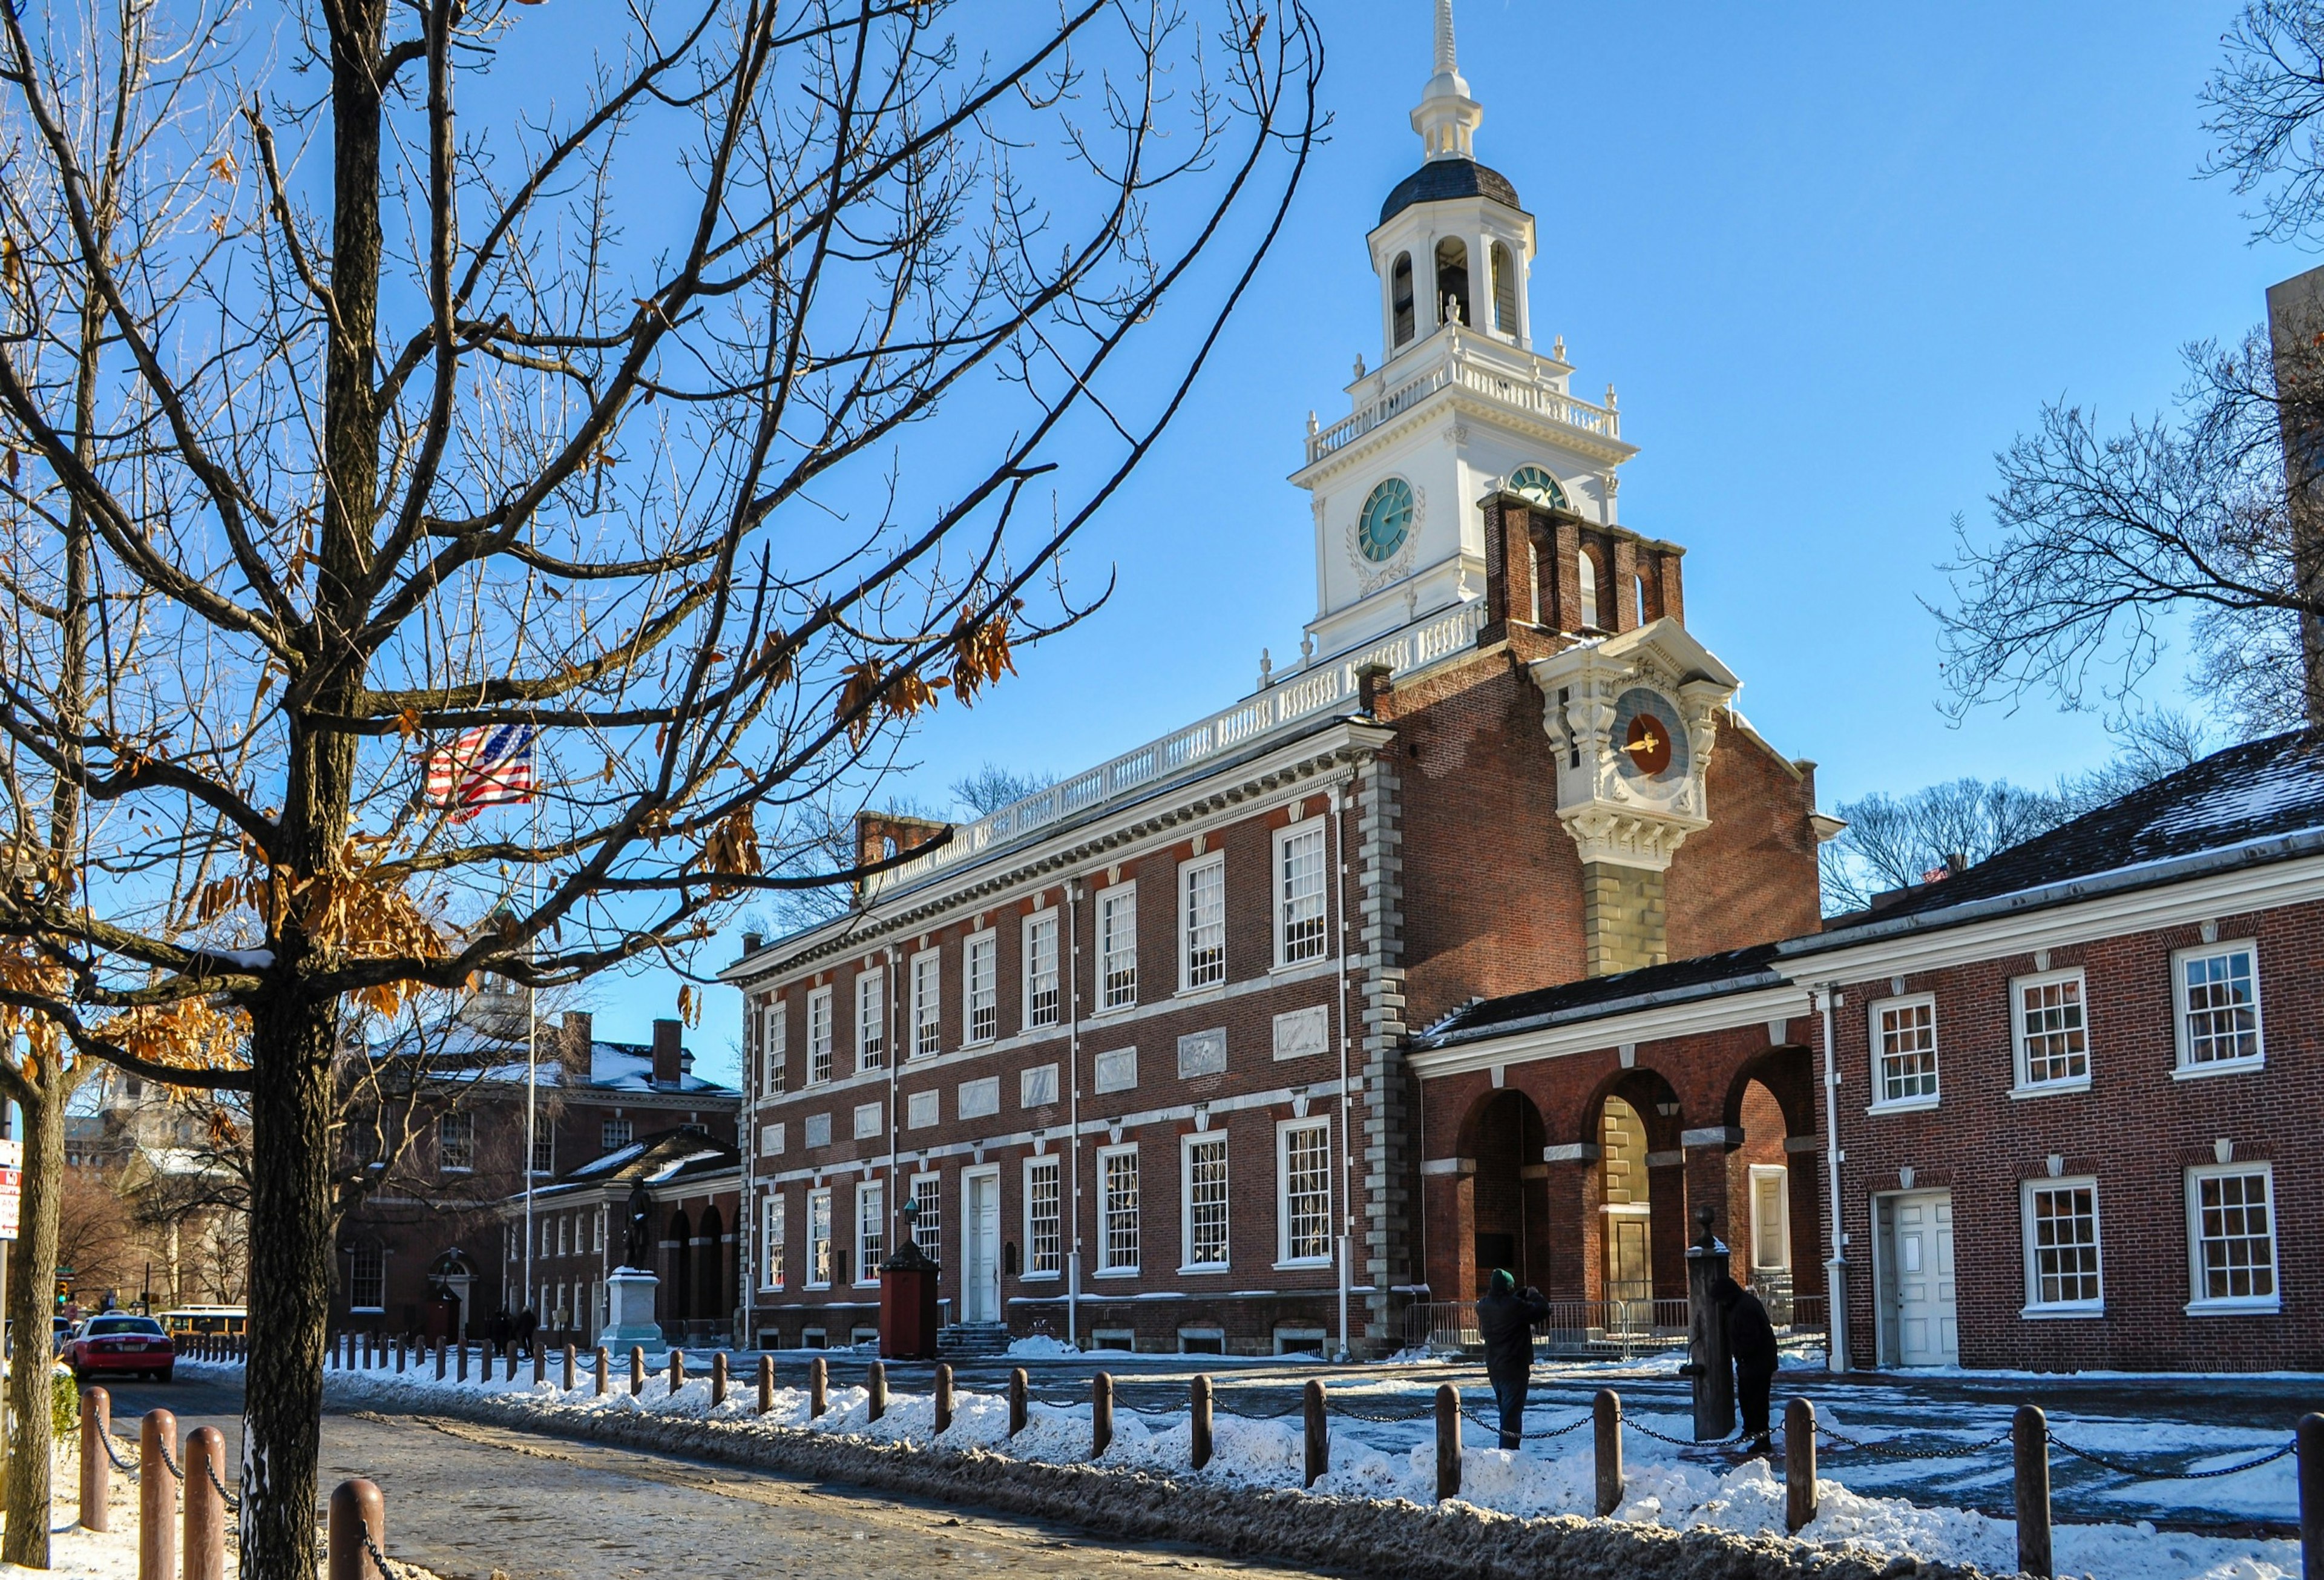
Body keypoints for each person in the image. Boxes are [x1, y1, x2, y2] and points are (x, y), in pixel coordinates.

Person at [1474, 1268, 1551, 1451]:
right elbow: (1542, 1311)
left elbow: (1507, 1303)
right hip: (1515, 1367)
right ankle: (1509, 1454)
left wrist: (1519, 1295)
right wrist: (1535, 1295)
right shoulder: (1514, 1307)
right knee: (1511, 1415)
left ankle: (1507, 1449)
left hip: (1495, 1366)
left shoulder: (1484, 1306)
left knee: (1506, 1411)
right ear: (1509, 1288)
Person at [1716, 1274, 1779, 1453]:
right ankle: (1751, 1430)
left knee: (1757, 1401)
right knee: (1747, 1398)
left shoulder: (1744, 1308)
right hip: (1752, 1362)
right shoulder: (1740, 1305)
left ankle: (1762, 1438)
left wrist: (1742, 1356)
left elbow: (1750, 1338)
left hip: (1757, 1362)